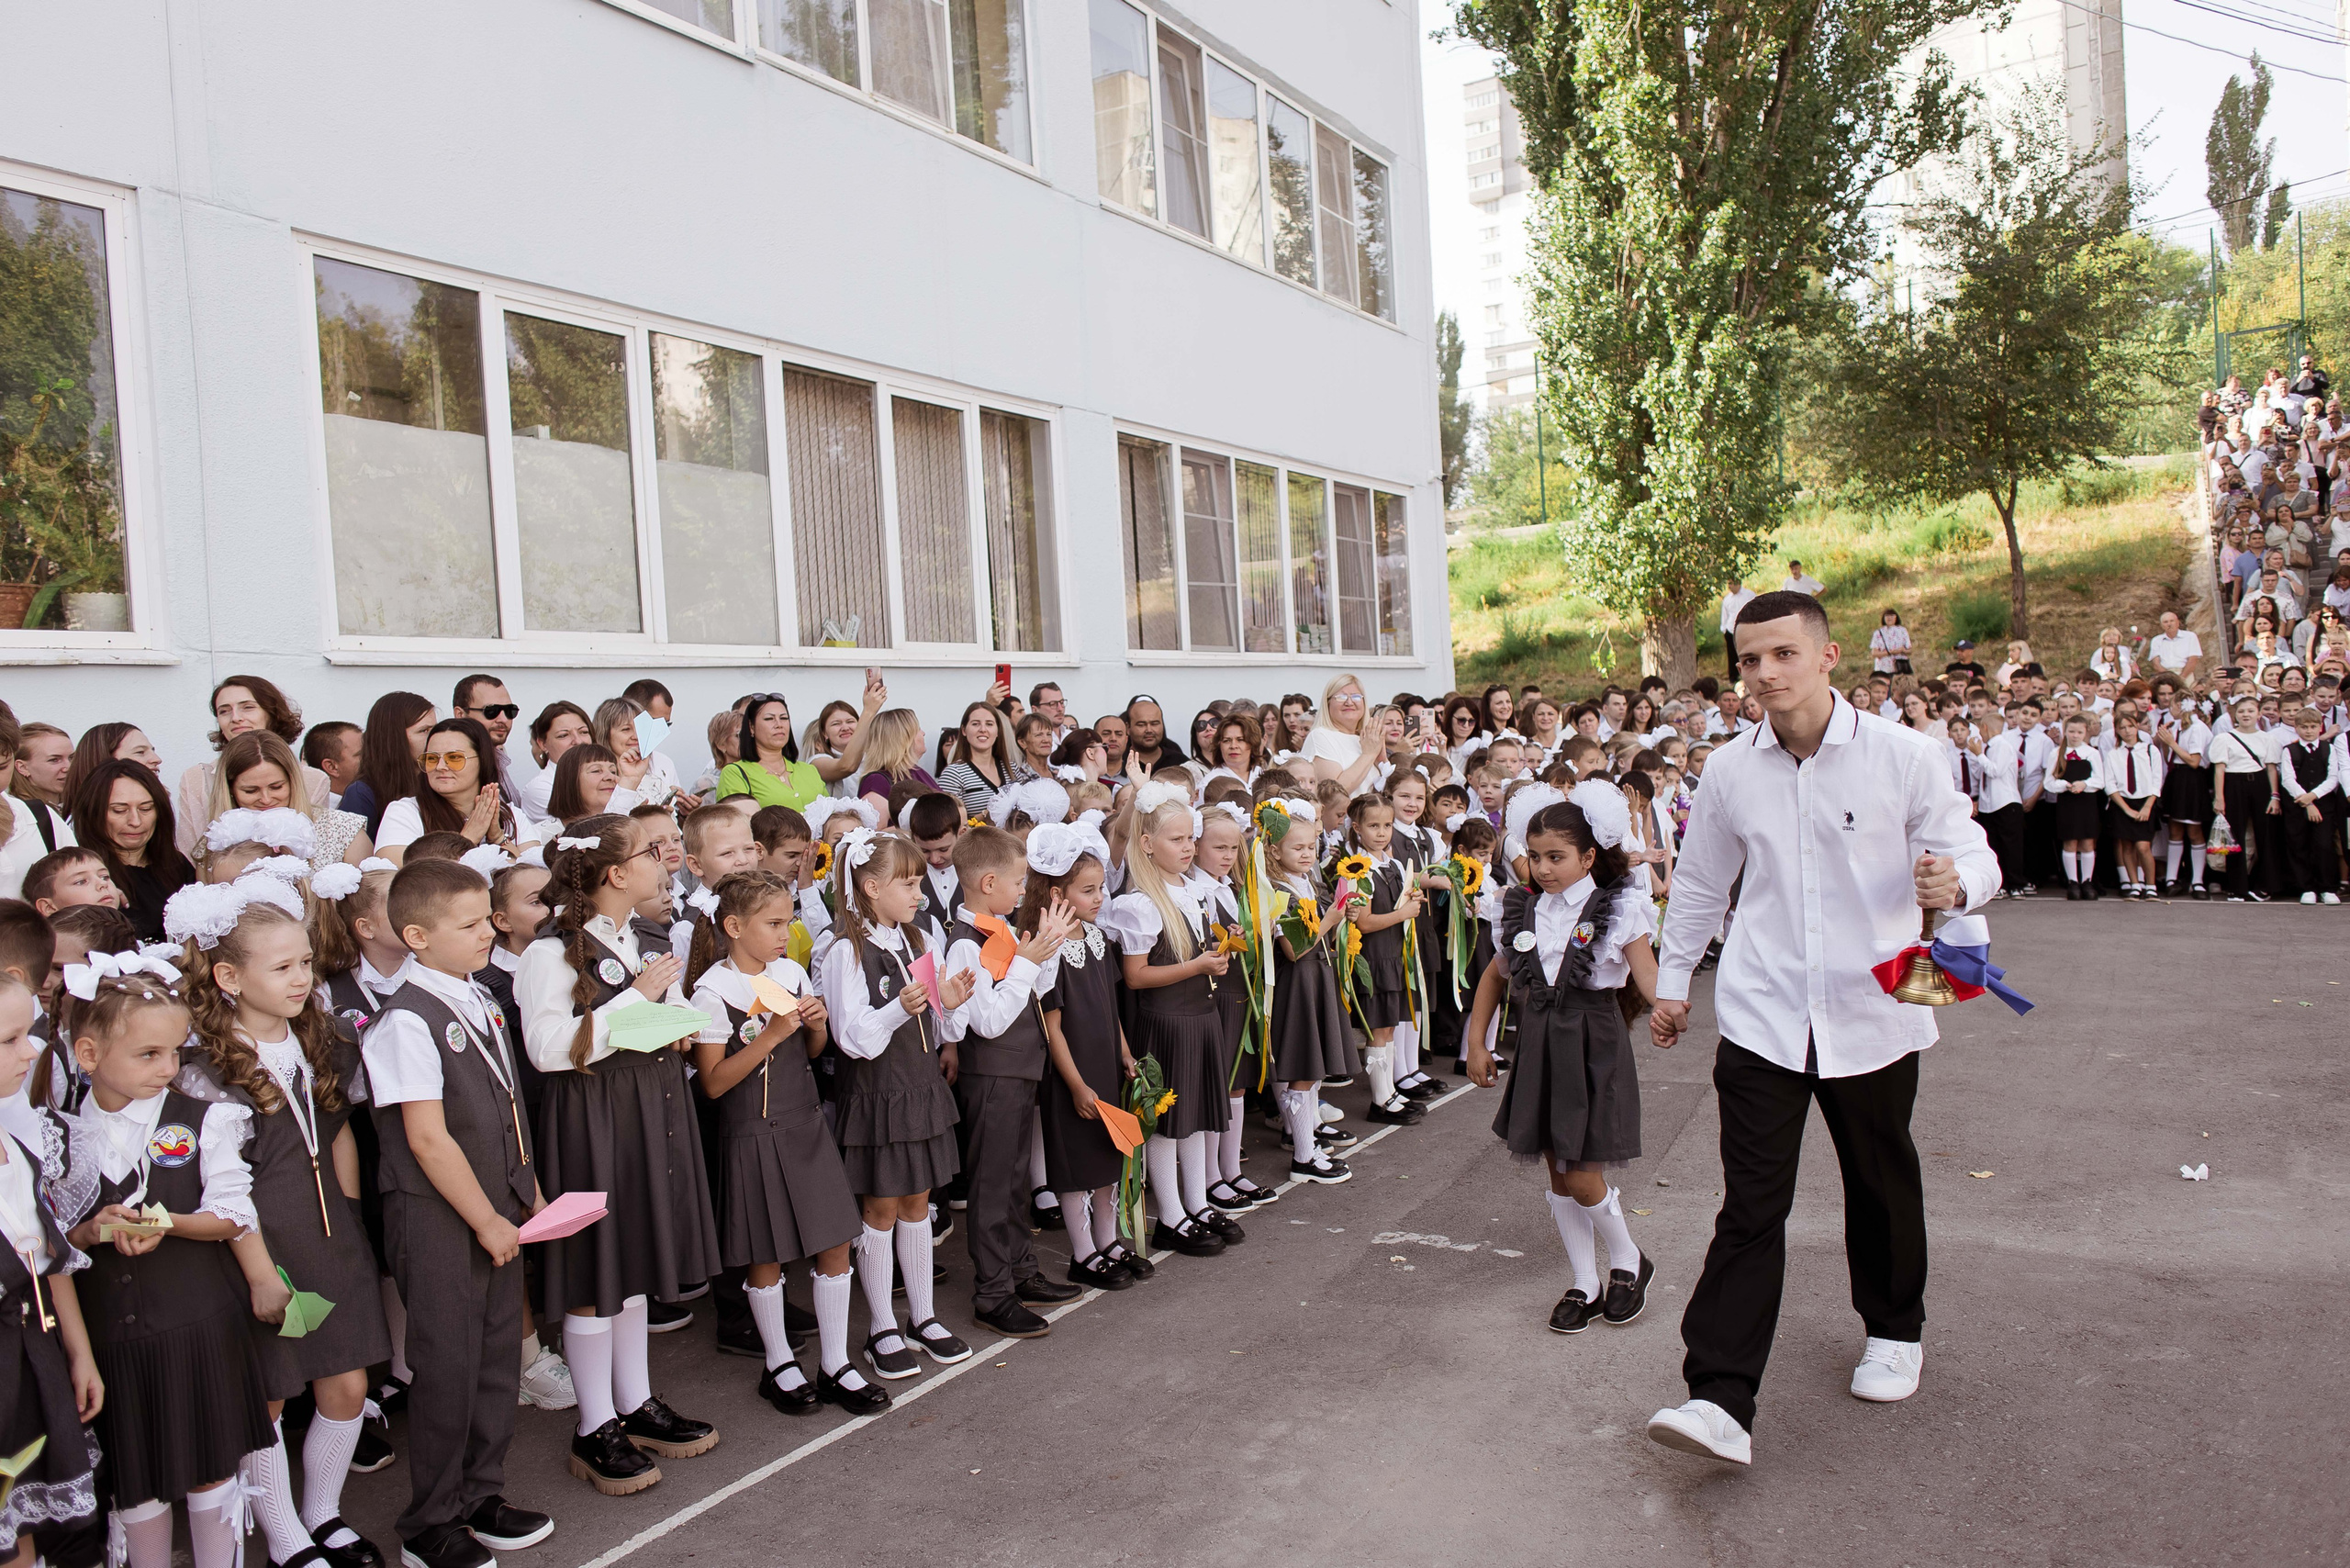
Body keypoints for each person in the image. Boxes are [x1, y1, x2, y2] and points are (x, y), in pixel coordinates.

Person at [1644, 590, 1999, 1467]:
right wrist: (1675, 982)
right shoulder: (1728, 770)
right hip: (1763, 1015)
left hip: (1875, 1009)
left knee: (1880, 1181)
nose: (1763, 674)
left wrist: (1955, 885)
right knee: (1751, 1206)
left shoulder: (1907, 756)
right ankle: (1719, 1399)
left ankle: (1893, 1329)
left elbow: (1975, 851)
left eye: (1782, 655)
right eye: (1749, 659)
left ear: (1829, 656)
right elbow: (1697, 886)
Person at [174, 896, 393, 1568]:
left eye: (304, 962)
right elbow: (222, 1185)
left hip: (330, 1234)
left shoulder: (320, 1039)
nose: (301, 979)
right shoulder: (208, 1069)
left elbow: (338, 1137)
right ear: (229, 979)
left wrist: (349, 1218)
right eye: (281, 968)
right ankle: (284, 1536)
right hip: (263, 1248)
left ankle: (321, 1513)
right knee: (269, 1393)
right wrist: (261, 1272)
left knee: (347, 1383)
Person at [359, 858, 554, 1568]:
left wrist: (526, 1192)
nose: (485, 933)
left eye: (485, 920)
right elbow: (426, 1138)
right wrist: (485, 1219)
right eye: (468, 925)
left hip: (496, 1205)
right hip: (443, 1218)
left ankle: (481, 1493)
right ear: (415, 935)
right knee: (447, 1365)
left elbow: (504, 1105)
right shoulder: (407, 1019)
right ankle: (429, 1523)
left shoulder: (475, 994)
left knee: (497, 1355)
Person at [520, 822, 721, 1495]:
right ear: (612, 873)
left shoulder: (636, 936)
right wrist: (637, 1001)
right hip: (593, 1119)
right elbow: (549, 1048)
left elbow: (655, 1010)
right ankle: (593, 1423)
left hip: (644, 1107)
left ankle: (634, 1403)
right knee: (595, 1269)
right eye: (646, 853)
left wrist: (677, 1019)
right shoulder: (551, 953)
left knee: (630, 1261)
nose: (661, 860)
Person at [63, 948, 276, 1568]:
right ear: (89, 1055)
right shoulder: (63, 1134)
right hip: (113, 1343)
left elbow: (232, 1215)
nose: (167, 1069)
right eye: (148, 1055)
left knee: (210, 1471)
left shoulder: (204, 1120)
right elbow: (54, 1240)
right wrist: (90, 1233)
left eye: (174, 1053)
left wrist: (167, 1222)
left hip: (198, 1329)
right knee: (136, 1481)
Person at [683, 870, 887, 1417]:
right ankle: (779, 1364)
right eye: (773, 923)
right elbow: (714, 1082)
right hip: (752, 1134)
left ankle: (836, 1363)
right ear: (733, 926)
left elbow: (815, 1050)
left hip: (804, 1126)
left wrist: (814, 1024)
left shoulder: (791, 971)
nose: (785, 932)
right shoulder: (713, 991)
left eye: (789, 918)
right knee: (766, 1254)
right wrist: (772, 1034)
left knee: (835, 1242)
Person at [1465, 785, 1656, 1333]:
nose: (1543, 868)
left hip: (1594, 1043)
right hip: (1541, 1041)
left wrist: (1669, 1005)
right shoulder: (1521, 908)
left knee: (1583, 1174)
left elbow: (1645, 973)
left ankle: (1627, 1259)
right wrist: (1477, 1043)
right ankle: (1584, 1280)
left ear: (1588, 857)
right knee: (1556, 1168)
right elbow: (1494, 978)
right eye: (1535, 856)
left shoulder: (1619, 908)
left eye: (1557, 857)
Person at [819, 829, 971, 1383]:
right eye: (907, 883)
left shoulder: (915, 938)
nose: (918, 892)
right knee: (880, 1209)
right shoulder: (845, 950)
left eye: (918, 881)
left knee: (918, 1204)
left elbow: (937, 1019)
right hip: (878, 1093)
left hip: (919, 1086)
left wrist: (947, 1006)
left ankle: (923, 1316)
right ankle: (883, 1323)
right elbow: (852, 1038)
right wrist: (898, 1009)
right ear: (869, 885)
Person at [939, 826, 1081, 1340]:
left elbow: (1030, 993)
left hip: (1019, 1071)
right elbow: (990, 1022)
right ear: (989, 881)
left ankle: (1021, 1271)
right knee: (994, 1184)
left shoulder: (998, 928)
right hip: (993, 1076)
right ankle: (992, 1294)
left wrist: (1043, 952)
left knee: (1017, 1180)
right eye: (1020, 881)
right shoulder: (963, 945)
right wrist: (1025, 962)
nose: (1025, 889)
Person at [1102, 787, 1233, 1255]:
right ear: (1147, 844)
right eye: (1176, 839)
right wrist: (1196, 966)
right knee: (1164, 1120)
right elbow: (1135, 977)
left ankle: (1196, 1204)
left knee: (1194, 1116)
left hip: (1200, 1016)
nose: (1188, 848)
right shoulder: (1139, 902)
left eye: (1190, 838)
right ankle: (1171, 1216)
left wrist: (1220, 948)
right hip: (1166, 1023)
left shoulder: (1194, 890)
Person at [1026, 822, 1144, 1289]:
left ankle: (1108, 1239)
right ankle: (1082, 1253)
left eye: (1100, 889)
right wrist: (1076, 1084)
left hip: (1103, 1066)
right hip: (1072, 1075)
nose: (1099, 898)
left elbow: (1109, 1008)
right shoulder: (1048, 950)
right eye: (1088, 890)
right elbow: (1052, 1027)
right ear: (1057, 893)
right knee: (1076, 1164)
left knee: (1106, 1157)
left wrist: (1126, 1053)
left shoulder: (1096, 938)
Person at [1255, 797, 1356, 1186]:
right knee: (1301, 1068)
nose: (1306, 854)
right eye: (1297, 848)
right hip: (1297, 984)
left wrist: (1341, 916)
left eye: (1311, 846)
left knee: (1309, 1072)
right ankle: (1303, 1155)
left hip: (1316, 979)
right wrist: (1330, 920)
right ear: (1274, 850)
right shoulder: (1277, 890)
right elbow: (1294, 949)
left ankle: (1307, 1144)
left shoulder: (1305, 882)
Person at [175, 678, 334, 857]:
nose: (235, 718)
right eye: (224, 711)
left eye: (248, 707)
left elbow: (316, 848)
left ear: (272, 713)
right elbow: (188, 853)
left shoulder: (312, 779)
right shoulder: (198, 777)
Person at [375, 719, 534, 865]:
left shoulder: (512, 816)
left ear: (482, 761)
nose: (440, 766)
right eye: (431, 759)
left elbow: (534, 877)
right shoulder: (405, 812)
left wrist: (498, 837)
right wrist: (467, 839)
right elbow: (399, 879)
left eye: (455, 758)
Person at [68, 763, 194, 943]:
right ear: (92, 813)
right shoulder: (83, 876)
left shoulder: (177, 865)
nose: (135, 821)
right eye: (119, 810)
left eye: (146, 809)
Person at [2210, 696, 2282, 902]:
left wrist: (2274, 796)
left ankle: (2266, 886)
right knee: (2235, 837)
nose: (2246, 715)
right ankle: (2237, 887)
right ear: (2235, 715)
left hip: (2260, 784)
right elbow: (2219, 770)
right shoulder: (2224, 738)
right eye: (2241, 711)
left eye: (2250, 711)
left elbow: (2271, 769)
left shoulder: (2268, 738)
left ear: (2258, 714)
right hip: (2233, 785)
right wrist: (2219, 798)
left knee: (2265, 836)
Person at [337, 693, 437, 842]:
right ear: (394, 738)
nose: (435, 737)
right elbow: (351, 859)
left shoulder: (439, 780)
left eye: (435, 729)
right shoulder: (361, 794)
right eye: (424, 731)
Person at [2277, 707, 2341, 902]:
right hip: (2297, 805)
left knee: (2323, 845)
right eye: (2304, 727)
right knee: (2299, 845)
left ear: (2321, 727)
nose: (2309, 731)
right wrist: (2305, 800)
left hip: (2323, 805)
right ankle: (2306, 887)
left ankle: (2327, 887)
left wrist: (2313, 796)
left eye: (2313, 726)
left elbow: (2333, 778)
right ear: (2296, 728)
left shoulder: (2329, 749)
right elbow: (2288, 779)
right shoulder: (2290, 750)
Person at [2044, 714, 2105, 900]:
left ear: (2086, 732)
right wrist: (2064, 785)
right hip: (2067, 803)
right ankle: (2073, 882)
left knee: (2087, 842)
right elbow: (2049, 782)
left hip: (2086, 803)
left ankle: (2087, 881)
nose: (2075, 735)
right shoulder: (2056, 753)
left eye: (2079, 732)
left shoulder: (2092, 753)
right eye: (2071, 731)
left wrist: (2085, 785)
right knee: (2070, 842)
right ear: (2065, 731)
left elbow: (2100, 781)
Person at [936, 702, 1015, 817]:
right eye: (975, 724)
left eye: (989, 724)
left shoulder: (1011, 768)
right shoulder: (953, 774)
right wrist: (985, 816)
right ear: (964, 730)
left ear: (998, 731)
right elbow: (948, 826)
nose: (983, 729)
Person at [451, 676, 522, 798]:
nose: (504, 719)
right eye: (491, 711)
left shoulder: (498, 759)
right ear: (460, 714)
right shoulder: (450, 767)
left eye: (510, 711)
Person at [1118, 697, 1186, 777]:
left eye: (1154, 724)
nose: (1149, 730)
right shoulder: (1119, 763)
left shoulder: (1181, 763)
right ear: (1128, 728)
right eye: (1141, 725)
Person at [1719, 581, 1756, 678]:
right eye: (1728, 584)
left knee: (1748, 652)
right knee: (1732, 656)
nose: (1729, 586)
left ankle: (1749, 675)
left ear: (1737, 583)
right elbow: (1725, 615)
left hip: (1747, 629)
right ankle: (1733, 678)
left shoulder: (1749, 595)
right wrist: (1724, 629)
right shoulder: (1727, 599)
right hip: (1731, 630)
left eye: (1731, 583)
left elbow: (1755, 610)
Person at [1869, 610, 1911, 675]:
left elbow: (1910, 650)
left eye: (1892, 615)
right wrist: (1890, 652)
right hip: (1883, 669)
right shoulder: (1878, 633)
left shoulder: (1903, 631)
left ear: (1896, 617)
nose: (1889, 618)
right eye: (1887, 616)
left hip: (1900, 667)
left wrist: (1903, 650)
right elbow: (1874, 653)